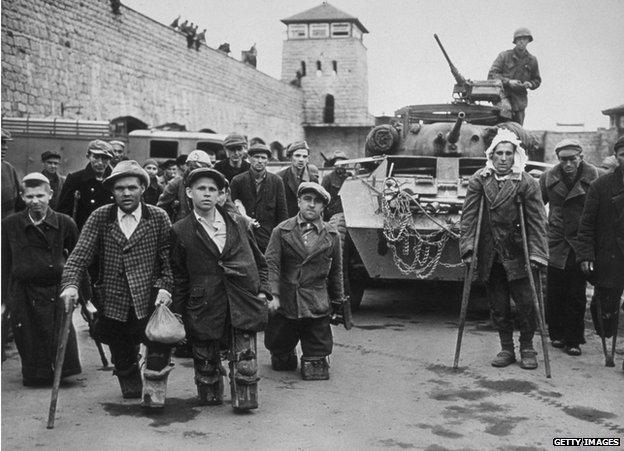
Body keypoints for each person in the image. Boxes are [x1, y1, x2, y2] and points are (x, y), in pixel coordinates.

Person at [60, 160, 175, 407]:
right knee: (123, 357)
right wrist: (70, 285)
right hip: (114, 299)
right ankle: (129, 374)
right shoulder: (101, 217)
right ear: (112, 191)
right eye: (119, 188)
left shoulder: (158, 217)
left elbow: (168, 258)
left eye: (132, 187)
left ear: (143, 188)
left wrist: (165, 286)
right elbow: (79, 256)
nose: (126, 193)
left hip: (150, 297)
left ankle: (155, 386)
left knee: (157, 346)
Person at [170, 168, 270, 410]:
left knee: (246, 363)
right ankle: (211, 390)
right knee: (206, 366)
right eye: (201, 188)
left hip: (242, 299)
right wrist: (177, 313)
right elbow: (179, 275)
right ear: (188, 192)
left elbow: (259, 261)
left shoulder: (238, 223)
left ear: (221, 194)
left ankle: (244, 396)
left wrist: (263, 290)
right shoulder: (180, 230)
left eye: (212, 189)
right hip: (203, 304)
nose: (207, 194)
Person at [460, 129, 548, 370]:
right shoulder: (481, 178)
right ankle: (507, 348)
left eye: (508, 153)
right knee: (498, 305)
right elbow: (468, 217)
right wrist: (468, 247)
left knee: (526, 303)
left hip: (518, 251)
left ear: (515, 155)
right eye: (499, 153)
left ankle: (528, 347)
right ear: (492, 155)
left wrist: (538, 252)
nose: (503, 158)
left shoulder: (525, 181)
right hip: (491, 251)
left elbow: (538, 220)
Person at [2, 173, 82, 385]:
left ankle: (61, 372)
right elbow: (4, 263)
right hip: (23, 289)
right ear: (22, 197)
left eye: (40, 195)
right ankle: (35, 374)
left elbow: (78, 259)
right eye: (29, 197)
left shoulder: (65, 222)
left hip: (55, 288)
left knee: (57, 333)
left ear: (50, 195)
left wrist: (86, 297)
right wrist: (4, 298)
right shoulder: (10, 224)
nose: (35, 201)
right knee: (27, 333)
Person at [264, 182, 344, 380]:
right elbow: (271, 266)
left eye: (317, 202)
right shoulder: (281, 231)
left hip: (316, 300)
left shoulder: (332, 235)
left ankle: (315, 356)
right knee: (280, 350)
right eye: (307, 199)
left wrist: (338, 301)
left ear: (323, 207)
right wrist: (271, 295)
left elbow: (336, 272)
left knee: (316, 359)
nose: (311, 205)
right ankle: (283, 352)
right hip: (287, 299)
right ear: (299, 202)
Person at [539, 139, 601, 356]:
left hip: (581, 241)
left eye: (572, 159)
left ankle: (573, 339)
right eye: (563, 159)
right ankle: (556, 334)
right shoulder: (548, 177)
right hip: (556, 240)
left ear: (581, 158)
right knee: (555, 290)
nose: (567, 164)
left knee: (576, 292)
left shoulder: (595, 176)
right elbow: (536, 205)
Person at [577, 136, 624, 370]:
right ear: (617, 157)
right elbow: (586, 225)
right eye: (623, 154)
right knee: (608, 306)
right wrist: (586, 255)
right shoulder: (601, 186)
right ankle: (606, 329)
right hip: (610, 255)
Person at [230, 143, 288, 252]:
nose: (260, 161)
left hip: (268, 239)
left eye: (263, 158)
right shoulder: (238, 181)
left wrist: (280, 238)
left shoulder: (276, 181)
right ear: (249, 159)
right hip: (244, 237)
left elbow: (282, 212)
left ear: (267, 161)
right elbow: (230, 208)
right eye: (256, 157)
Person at [57, 140, 114, 230]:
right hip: (82, 233)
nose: (100, 162)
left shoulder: (115, 181)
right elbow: (63, 212)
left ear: (110, 160)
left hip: (110, 235)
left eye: (105, 159)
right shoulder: (75, 179)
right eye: (96, 157)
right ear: (88, 156)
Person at [488, 28, 541, 125]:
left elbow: (537, 80)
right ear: (515, 41)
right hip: (502, 98)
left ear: (528, 41)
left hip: (519, 102)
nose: (521, 41)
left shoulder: (532, 60)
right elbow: (492, 75)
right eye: (519, 39)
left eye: (524, 39)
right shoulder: (504, 56)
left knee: (518, 132)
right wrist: (508, 82)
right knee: (500, 129)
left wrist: (530, 84)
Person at [157, 150, 213, 223]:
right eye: (192, 167)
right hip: (183, 225)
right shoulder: (177, 183)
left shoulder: (215, 183)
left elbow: (228, 208)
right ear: (187, 166)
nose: (196, 171)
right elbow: (162, 206)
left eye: (200, 168)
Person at [277, 141, 319, 217]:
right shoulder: (280, 177)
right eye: (297, 156)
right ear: (290, 157)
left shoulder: (313, 179)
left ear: (308, 159)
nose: (301, 160)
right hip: (286, 221)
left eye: (304, 156)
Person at [321, 150, 351, 221]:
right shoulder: (328, 178)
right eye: (337, 163)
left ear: (346, 164)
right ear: (334, 164)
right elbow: (322, 198)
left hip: (348, 213)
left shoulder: (350, 178)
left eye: (342, 163)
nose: (340, 166)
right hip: (331, 215)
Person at [1, 129, 22, 219]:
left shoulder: (8, 169)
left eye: (5, 143)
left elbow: (19, 202)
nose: (5, 147)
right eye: (1, 142)